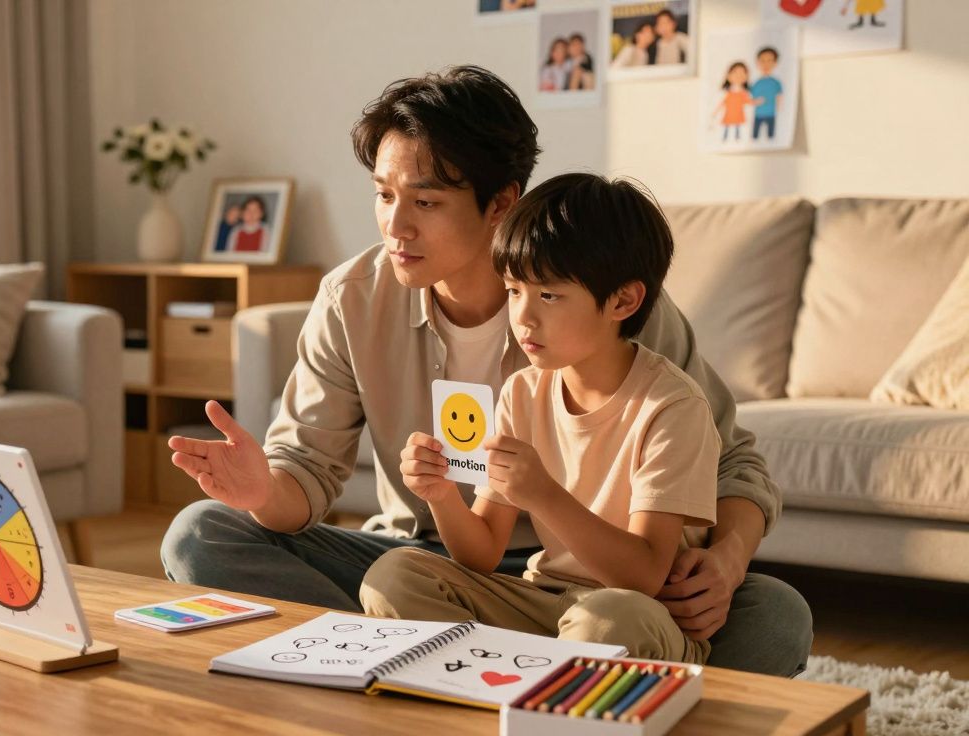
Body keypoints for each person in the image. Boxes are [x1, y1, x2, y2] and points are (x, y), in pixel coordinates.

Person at [160, 65, 812, 677]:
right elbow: (304, 473)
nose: (395, 225)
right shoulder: (353, 298)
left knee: (774, 615)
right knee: (202, 535)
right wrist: (260, 492)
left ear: (501, 202)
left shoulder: (605, 299)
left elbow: (733, 463)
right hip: (433, 556)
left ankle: (425, 657)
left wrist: (725, 562)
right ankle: (536, 672)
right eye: (383, 196)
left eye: (426, 202)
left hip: (606, 571)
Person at [361, 173, 718, 664]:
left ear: (623, 301)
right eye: (513, 291)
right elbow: (481, 554)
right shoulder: (523, 391)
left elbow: (645, 576)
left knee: (609, 620)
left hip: (636, 614)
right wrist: (441, 495)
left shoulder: (672, 409)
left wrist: (545, 496)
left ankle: (524, 681)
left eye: (548, 296)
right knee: (393, 576)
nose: (523, 317)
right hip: (541, 604)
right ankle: (516, 681)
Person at [750, 47, 784, 141]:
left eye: (769, 60)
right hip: (758, 113)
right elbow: (751, 97)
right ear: (758, 63)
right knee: (755, 135)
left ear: (775, 63)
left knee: (771, 135)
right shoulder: (756, 83)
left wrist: (779, 107)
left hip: (771, 113)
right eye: (763, 61)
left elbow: (779, 95)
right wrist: (755, 102)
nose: (766, 64)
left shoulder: (775, 82)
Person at [713, 61, 753, 142]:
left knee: (737, 126)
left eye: (742, 73)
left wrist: (757, 102)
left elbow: (748, 102)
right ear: (728, 75)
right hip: (729, 114)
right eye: (735, 73)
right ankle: (725, 137)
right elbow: (722, 103)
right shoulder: (727, 93)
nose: (738, 76)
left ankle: (737, 138)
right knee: (727, 126)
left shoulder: (743, 93)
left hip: (738, 113)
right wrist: (715, 112)